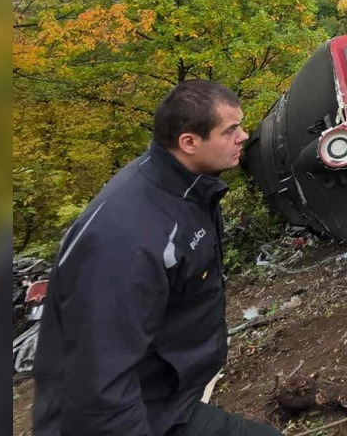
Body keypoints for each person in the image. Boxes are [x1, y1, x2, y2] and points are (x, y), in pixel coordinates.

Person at [32, 80, 279, 436]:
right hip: (121, 418)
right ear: (189, 142)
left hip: (165, 397)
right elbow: (98, 384)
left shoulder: (187, 188)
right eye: (231, 130)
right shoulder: (126, 240)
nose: (244, 136)